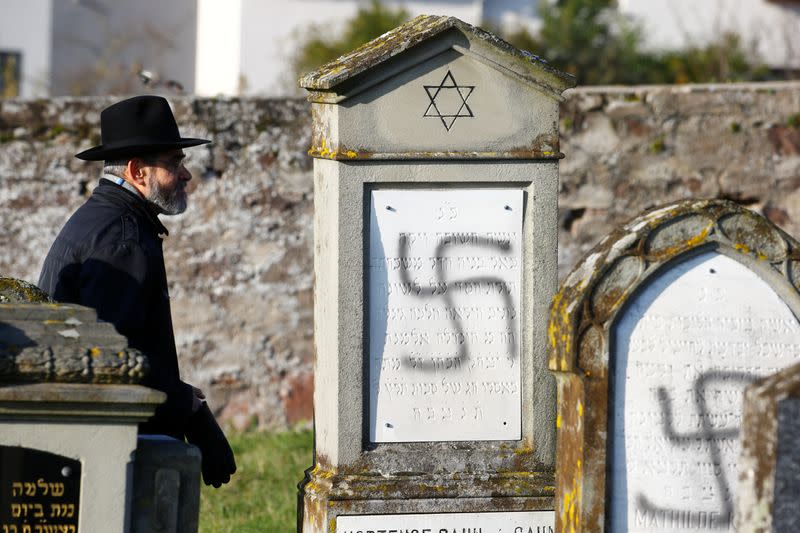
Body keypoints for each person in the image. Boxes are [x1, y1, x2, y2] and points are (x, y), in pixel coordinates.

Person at [39, 95, 236, 488]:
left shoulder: (110, 220)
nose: (186, 176)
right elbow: (116, 363)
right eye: (174, 163)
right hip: (108, 451)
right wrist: (191, 411)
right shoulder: (122, 238)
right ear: (137, 171)